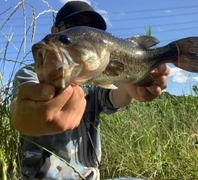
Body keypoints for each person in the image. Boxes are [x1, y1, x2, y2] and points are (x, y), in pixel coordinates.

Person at [10, 1, 170, 180]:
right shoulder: (30, 73)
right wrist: (20, 116)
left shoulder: (94, 81)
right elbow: (22, 104)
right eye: (73, 26)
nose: (84, 34)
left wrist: (131, 84)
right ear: (55, 31)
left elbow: (114, 97)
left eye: (92, 30)